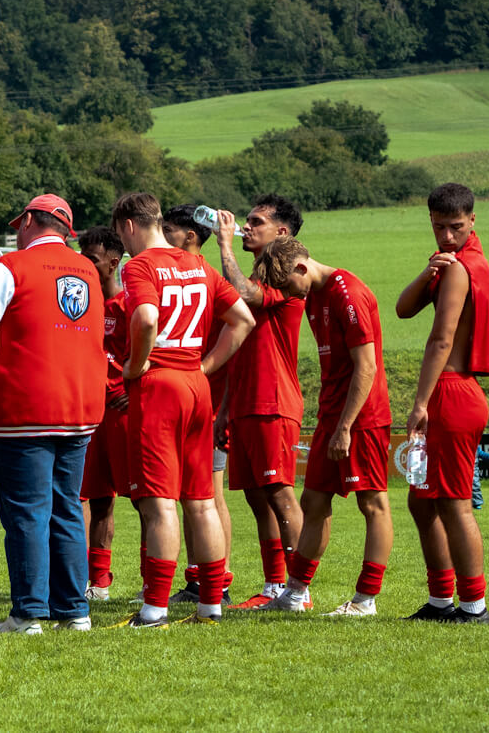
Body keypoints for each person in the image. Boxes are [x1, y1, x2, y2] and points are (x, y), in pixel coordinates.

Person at [0, 194, 105, 635]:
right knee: (66, 509)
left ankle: (28, 613)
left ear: (26, 222)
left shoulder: (8, 269)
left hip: (23, 407)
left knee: (27, 513)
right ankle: (74, 611)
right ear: (66, 231)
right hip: (79, 408)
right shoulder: (90, 273)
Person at [112, 192, 254, 627]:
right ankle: (211, 604)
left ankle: (154, 609)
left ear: (129, 226)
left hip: (160, 387)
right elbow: (243, 319)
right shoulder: (199, 265)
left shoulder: (139, 266)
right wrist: (206, 365)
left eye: (121, 234)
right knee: (201, 500)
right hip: (196, 385)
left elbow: (147, 319)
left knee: (159, 503)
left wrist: (135, 366)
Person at [252, 238, 394, 616]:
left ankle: (366, 600)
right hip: (333, 414)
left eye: (286, 285)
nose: (285, 294)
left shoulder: (349, 294)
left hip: (361, 416)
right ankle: (294, 595)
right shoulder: (312, 295)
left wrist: (346, 426)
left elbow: (366, 367)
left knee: (372, 502)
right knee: (313, 501)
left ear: (302, 268)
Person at [394, 182, 489, 624]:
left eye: (456, 227)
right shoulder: (448, 264)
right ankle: (440, 601)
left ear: (473, 220)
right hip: (451, 391)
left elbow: (441, 339)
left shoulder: (461, 268)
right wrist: (427, 271)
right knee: (421, 502)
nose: (447, 236)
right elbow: (402, 309)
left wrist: (420, 402)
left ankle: (474, 607)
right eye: (439, 227)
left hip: (453, 392)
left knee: (454, 503)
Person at [214, 195, 307, 610]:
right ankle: (274, 587)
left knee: (281, 494)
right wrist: (225, 409)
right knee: (257, 496)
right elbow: (241, 348)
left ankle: (300, 591)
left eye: (256, 222)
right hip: (247, 403)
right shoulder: (260, 277)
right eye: (246, 222)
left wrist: (224, 246)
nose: (246, 227)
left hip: (274, 400)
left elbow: (244, 294)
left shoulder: (288, 280)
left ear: (281, 233)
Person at [158, 205, 235, 605]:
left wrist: (205, 368)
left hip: (199, 397)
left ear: (190, 236)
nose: (162, 235)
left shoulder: (200, 276)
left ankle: (215, 582)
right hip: (197, 394)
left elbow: (241, 319)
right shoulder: (197, 275)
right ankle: (202, 583)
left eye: (168, 229)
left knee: (205, 497)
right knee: (197, 498)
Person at [75, 225, 127, 601]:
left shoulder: (129, 305)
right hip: (90, 413)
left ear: (113, 262)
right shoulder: (81, 305)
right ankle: (98, 582)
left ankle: (150, 584)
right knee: (95, 498)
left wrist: (131, 389)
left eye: (90, 259)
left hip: (124, 414)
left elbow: (152, 349)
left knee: (147, 500)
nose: (83, 266)